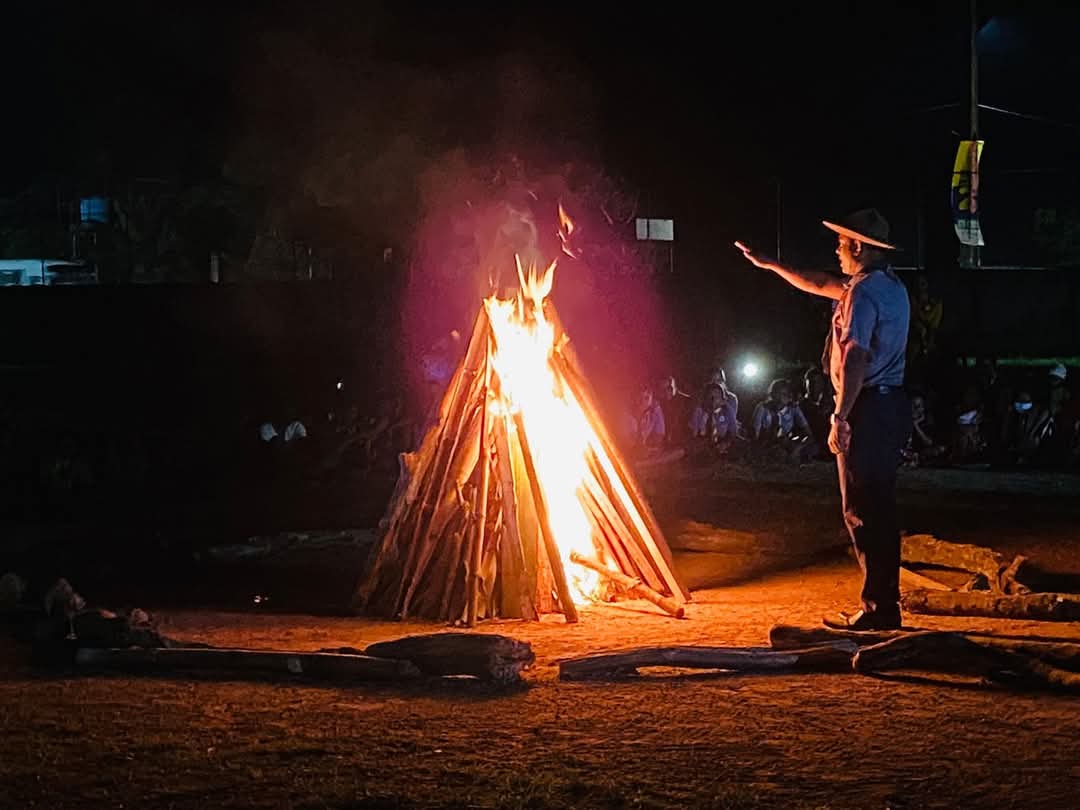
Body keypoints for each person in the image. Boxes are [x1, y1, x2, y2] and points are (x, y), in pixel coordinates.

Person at [737, 208, 911, 630]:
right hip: (887, 405)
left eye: (840, 243)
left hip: (867, 406)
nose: (835, 250)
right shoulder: (887, 287)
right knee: (879, 506)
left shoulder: (864, 295)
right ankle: (883, 603)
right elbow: (817, 283)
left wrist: (841, 416)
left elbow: (855, 355)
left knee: (862, 508)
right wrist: (772, 264)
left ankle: (879, 610)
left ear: (858, 246)